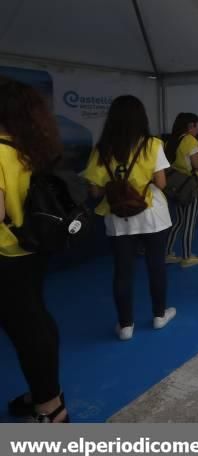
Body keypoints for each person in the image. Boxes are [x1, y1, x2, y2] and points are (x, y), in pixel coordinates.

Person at [0, 78, 70, 422]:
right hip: (33, 248)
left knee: (26, 327)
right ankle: (46, 394)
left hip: (7, 256)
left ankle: (49, 407)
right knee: (36, 318)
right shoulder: (28, 150)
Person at [84, 95, 176, 341]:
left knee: (122, 271)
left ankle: (125, 325)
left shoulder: (101, 149)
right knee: (156, 266)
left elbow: (93, 190)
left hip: (118, 218)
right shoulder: (152, 144)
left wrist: (115, 186)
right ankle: (159, 315)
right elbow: (161, 182)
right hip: (152, 215)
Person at [164, 112, 198, 268]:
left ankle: (167, 253)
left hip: (176, 186)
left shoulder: (171, 141)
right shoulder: (190, 141)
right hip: (192, 185)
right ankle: (187, 256)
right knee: (190, 222)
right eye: (197, 125)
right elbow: (197, 166)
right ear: (191, 126)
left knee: (179, 221)